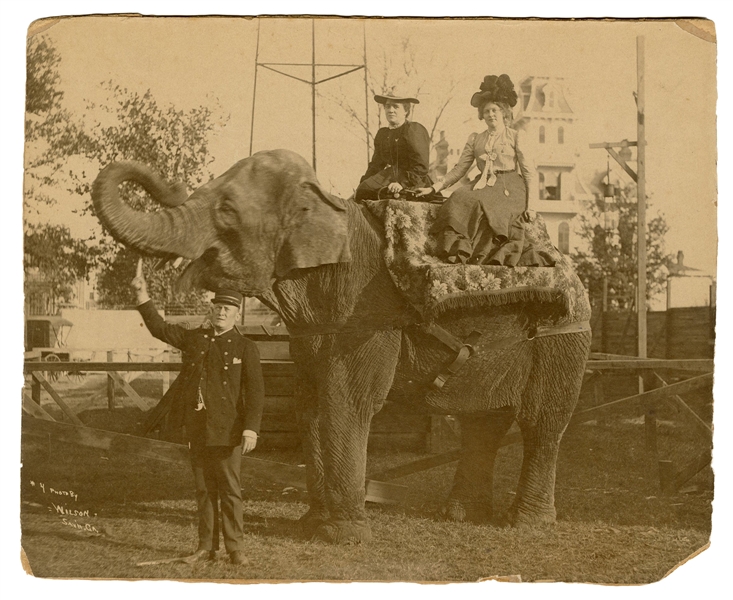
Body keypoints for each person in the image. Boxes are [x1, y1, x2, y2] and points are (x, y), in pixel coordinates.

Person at [131, 260, 265, 566]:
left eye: (227, 310)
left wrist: (250, 429)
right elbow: (159, 328)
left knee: (230, 490)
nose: (221, 313)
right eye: (217, 307)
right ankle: (206, 547)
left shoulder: (245, 348)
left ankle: (235, 548)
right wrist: (142, 295)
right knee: (204, 490)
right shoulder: (196, 339)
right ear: (212, 309)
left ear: (235, 314)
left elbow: (255, 393)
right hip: (198, 428)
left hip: (228, 430)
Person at [417, 74, 552, 267]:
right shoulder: (475, 138)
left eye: (495, 110)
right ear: (482, 114)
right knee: (459, 197)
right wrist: (434, 188)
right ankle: (458, 250)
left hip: (510, 186)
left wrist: (531, 207)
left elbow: (529, 172)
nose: (491, 115)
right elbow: (459, 169)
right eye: (487, 111)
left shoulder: (515, 136)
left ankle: (487, 251)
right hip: (483, 183)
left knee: (480, 200)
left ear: (504, 112)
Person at [354, 89, 434, 201]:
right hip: (389, 176)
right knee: (365, 190)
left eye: (395, 107)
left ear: (406, 110)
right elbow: (376, 165)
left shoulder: (413, 130)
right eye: (387, 106)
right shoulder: (383, 134)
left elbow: (421, 166)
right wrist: (363, 184)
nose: (390, 110)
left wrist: (402, 183)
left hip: (413, 180)